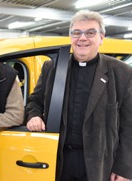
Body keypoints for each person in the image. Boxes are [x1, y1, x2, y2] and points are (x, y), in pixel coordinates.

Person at [25, 10, 132, 181]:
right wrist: (34, 115)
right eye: (76, 33)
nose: (82, 38)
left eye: (90, 33)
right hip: (58, 160)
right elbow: (34, 101)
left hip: (99, 164)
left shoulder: (121, 72)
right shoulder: (52, 68)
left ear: (102, 37)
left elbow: (129, 125)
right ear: (70, 37)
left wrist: (125, 169)